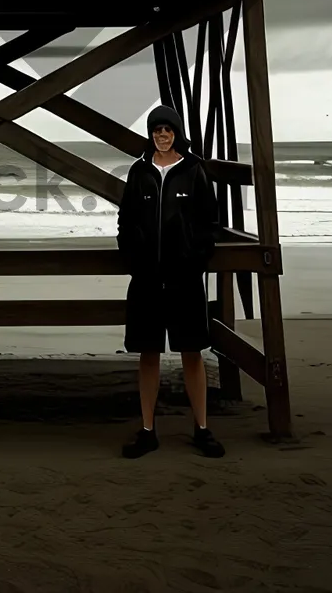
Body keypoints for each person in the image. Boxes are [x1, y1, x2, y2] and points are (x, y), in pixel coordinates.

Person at [117, 104, 226, 459]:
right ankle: (147, 430)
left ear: (177, 132)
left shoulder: (194, 170)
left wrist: (194, 262)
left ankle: (203, 429)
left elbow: (210, 223)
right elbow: (125, 220)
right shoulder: (139, 171)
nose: (162, 136)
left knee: (192, 353)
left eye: (167, 130)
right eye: (156, 131)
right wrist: (134, 261)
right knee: (148, 354)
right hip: (147, 280)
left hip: (185, 280)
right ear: (150, 135)